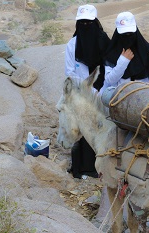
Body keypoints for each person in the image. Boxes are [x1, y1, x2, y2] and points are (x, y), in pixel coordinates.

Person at [64, 4, 110, 179]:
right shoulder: (72, 45)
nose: (85, 26)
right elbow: (70, 72)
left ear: (95, 22)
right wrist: (86, 89)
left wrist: (99, 89)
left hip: (101, 92)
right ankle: (81, 169)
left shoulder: (104, 41)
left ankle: (100, 167)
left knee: (99, 128)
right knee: (81, 129)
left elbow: (109, 68)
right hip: (81, 94)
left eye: (88, 23)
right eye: (81, 23)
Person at [101, 11, 149, 91]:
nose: (127, 38)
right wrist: (123, 61)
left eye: (130, 34)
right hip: (118, 99)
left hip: (144, 99)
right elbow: (109, 80)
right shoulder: (112, 53)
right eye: (124, 35)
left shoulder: (147, 51)